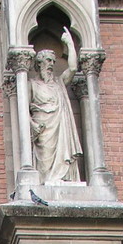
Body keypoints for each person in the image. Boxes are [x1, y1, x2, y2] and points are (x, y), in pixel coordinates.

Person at [29, 28, 82, 184]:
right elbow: (24, 112)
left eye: (53, 61)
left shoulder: (59, 82)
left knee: (61, 154)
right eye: (47, 60)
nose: (51, 64)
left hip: (59, 126)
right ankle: (46, 180)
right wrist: (33, 124)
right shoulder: (31, 85)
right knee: (45, 156)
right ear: (38, 64)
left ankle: (61, 177)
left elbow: (72, 68)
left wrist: (70, 45)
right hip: (43, 129)